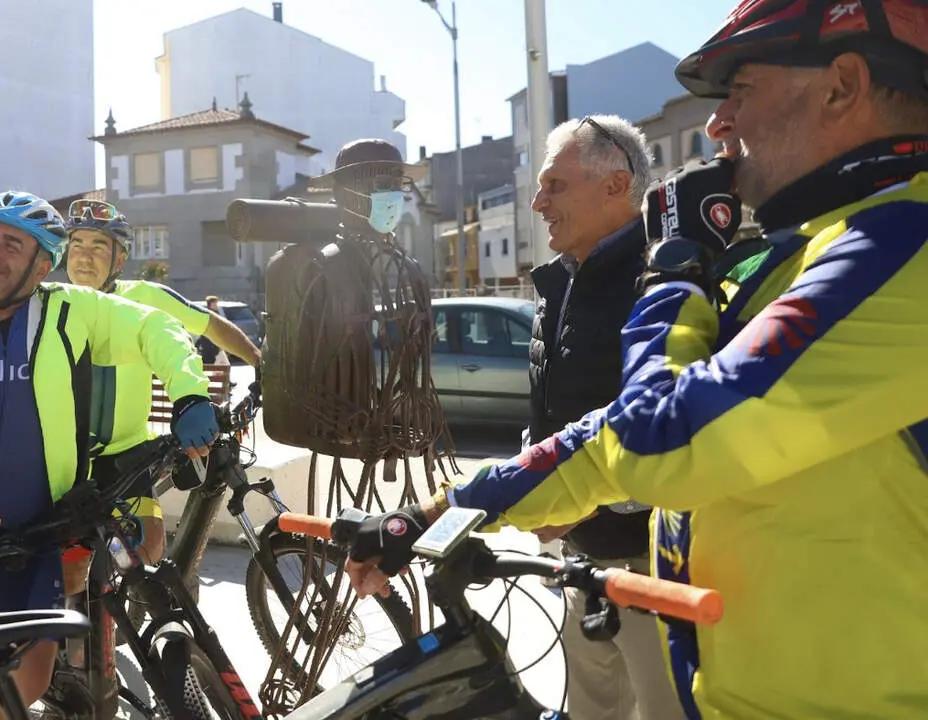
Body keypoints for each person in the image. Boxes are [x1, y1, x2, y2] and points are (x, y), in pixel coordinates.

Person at [344, 1, 928, 717]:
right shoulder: (807, 252)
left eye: (739, 91)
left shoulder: (903, 248)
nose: (719, 125)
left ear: (842, 85)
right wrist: (439, 512)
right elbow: (607, 435)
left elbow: (661, 436)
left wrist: (673, 273)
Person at [0, 190, 218, 719]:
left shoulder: (71, 313)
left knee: (29, 675)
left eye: (11, 244)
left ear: (42, 266)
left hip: (38, 533)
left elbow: (156, 327)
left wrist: (190, 392)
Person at [525, 114, 683, 720]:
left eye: (555, 186)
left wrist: (579, 502)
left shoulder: (665, 280)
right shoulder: (558, 281)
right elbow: (554, 407)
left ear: (616, 186)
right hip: (581, 563)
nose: (539, 203)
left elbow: (679, 433)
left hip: (653, 569)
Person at [62, 199, 261, 598]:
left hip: (128, 456)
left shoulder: (146, 297)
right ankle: (80, 650)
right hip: (66, 460)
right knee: (70, 573)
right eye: (77, 244)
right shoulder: (49, 303)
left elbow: (210, 327)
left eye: (98, 247)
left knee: (150, 551)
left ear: (119, 260)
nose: (84, 257)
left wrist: (260, 361)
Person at [194, 295, 224, 364]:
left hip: (214, 341)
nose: (216, 305)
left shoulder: (216, 313)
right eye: (215, 304)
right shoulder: (209, 314)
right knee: (208, 360)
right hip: (208, 341)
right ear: (210, 304)